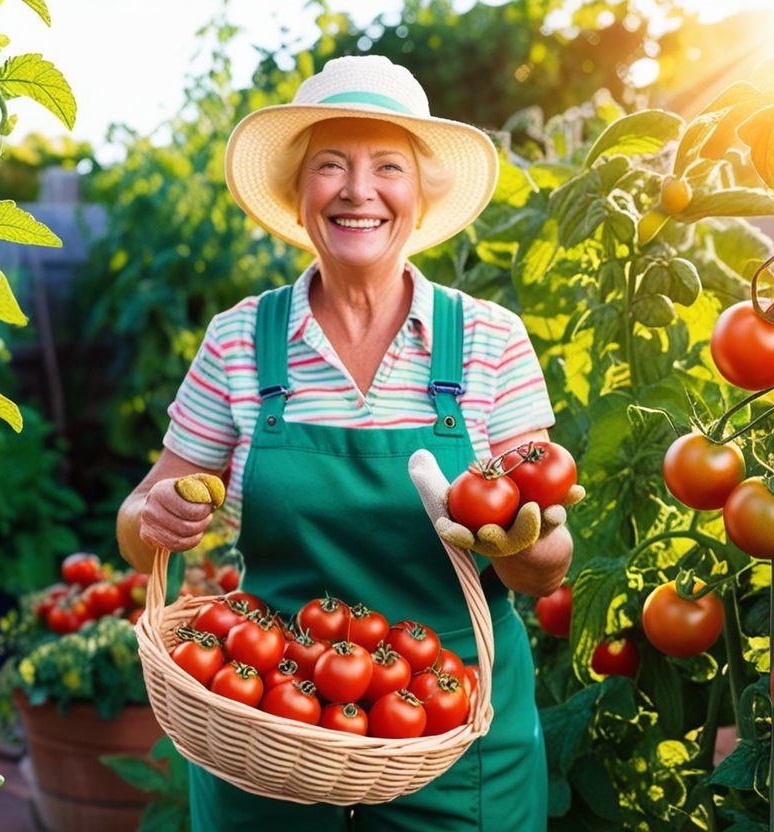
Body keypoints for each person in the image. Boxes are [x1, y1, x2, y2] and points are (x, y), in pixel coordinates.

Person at [116, 55, 572, 831]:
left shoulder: (490, 341)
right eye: (331, 166)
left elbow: (548, 567)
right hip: (270, 722)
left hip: (457, 733)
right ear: (300, 197)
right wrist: (154, 516)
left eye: (387, 166)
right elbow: (137, 527)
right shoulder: (239, 341)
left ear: (420, 198)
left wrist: (517, 542)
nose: (358, 190)